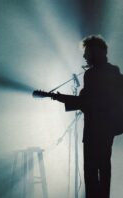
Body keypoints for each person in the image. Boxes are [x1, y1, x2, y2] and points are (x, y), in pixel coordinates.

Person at [53, 35, 122, 198]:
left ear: (94, 52)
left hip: (93, 132)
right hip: (107, 131)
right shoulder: (115, 72)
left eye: (86, 52)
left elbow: (87, 103)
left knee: (91, 175)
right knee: (104, 171)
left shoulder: (91, 75)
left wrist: (59, 98)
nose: (84, 56)